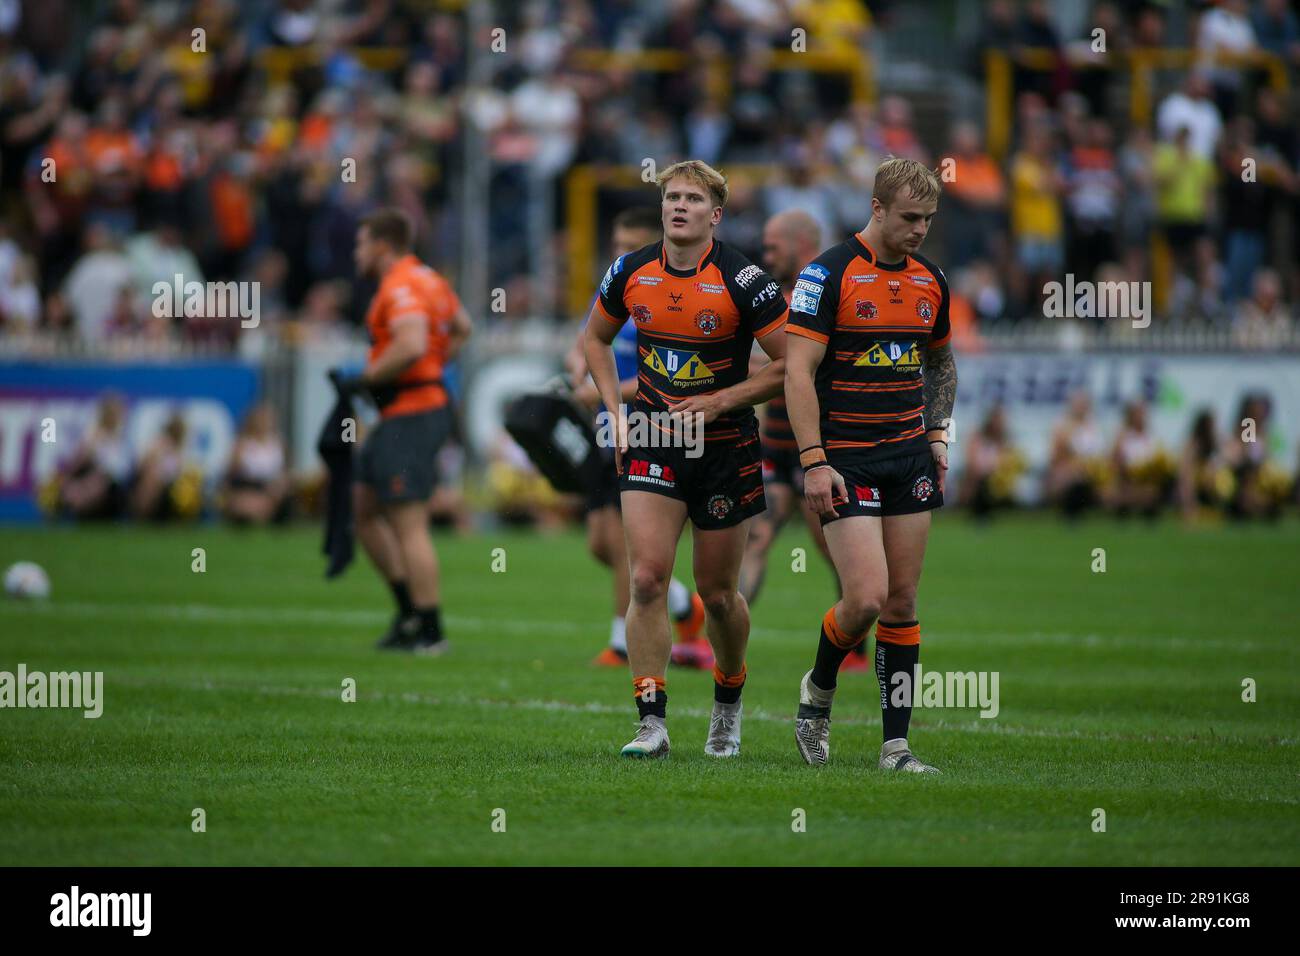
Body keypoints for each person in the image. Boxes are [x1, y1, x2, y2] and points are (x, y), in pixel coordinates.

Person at [584, 160, 789, 759]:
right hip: (653, 437)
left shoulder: (744, 279)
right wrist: (616, 412)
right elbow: (594, 339)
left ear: (715, 215)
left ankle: (728, 702)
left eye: (693, 200)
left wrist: (721, 400)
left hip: (724, 446)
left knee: (718, 595)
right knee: (647, 578)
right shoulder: (630, 270)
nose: (679, 206)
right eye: (671, 197)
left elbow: (790, 365)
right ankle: (651, 722)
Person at [785, 157, 957, 774]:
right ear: (877, 208)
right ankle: (817, 692)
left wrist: (937, 432)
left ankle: (896, 748)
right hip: (846, 459)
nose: (920, 229)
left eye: (928, 219)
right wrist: (813, 461)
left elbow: (940, 362)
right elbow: (797, 372)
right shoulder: (827, 274)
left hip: (908, 455)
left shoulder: (932, 280)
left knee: (902, 603)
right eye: (909, 217)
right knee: (864, 599)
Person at [565, 206, 710, 670]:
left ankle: (621, 642)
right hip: (607, 424)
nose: (620, 253)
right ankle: (684, 604)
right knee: (599, 543)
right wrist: (578, 366)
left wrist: (601, 389)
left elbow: (662, 376)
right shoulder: (616, 284)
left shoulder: (665, 295)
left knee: (624, 543)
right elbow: (587, 339)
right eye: (616, 245)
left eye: (630, 246)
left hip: (646, 427)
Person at [337, 208, 472, 654]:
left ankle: (431, 631)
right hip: (409, 409)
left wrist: (367, 377)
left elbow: (412, 344)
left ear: (381, 245)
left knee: (409, 523)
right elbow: (463, 327)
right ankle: (409, 612)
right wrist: (435, 364)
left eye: (361, 243)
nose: (356, 253)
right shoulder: (429, 278)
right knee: (362, 506)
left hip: (414, 411)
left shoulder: (400, 284)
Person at [736, 210, 863, 666]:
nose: (766, 257)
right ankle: (722, 637)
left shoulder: (823, 294)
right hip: (775, 445)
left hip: (821, 451)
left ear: (800, 243)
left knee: (833, 548)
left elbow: (797, 368)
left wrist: (732, 370)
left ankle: (856, 644)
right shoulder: (772, 298)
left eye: (773, 248)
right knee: (756, 537)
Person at [55, 392, 130, 519]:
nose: (114, 417)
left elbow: (123, 470)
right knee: (88, 480)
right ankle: (70, 499)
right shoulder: (92, 434)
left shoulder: (122, 438)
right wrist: (66, 477)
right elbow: (79, 460)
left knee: (98, 479)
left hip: (113, 486)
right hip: (93, 476)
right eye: (111, 412)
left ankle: (76, 499)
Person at [222, 402, 289, 525]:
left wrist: (280, 485)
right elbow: (231, 474)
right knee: (246, 504)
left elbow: (284, 471)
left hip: (273, 488)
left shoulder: (278, 443)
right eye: (261, 419)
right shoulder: (242, 444)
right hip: (249, 486)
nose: (264, 423)